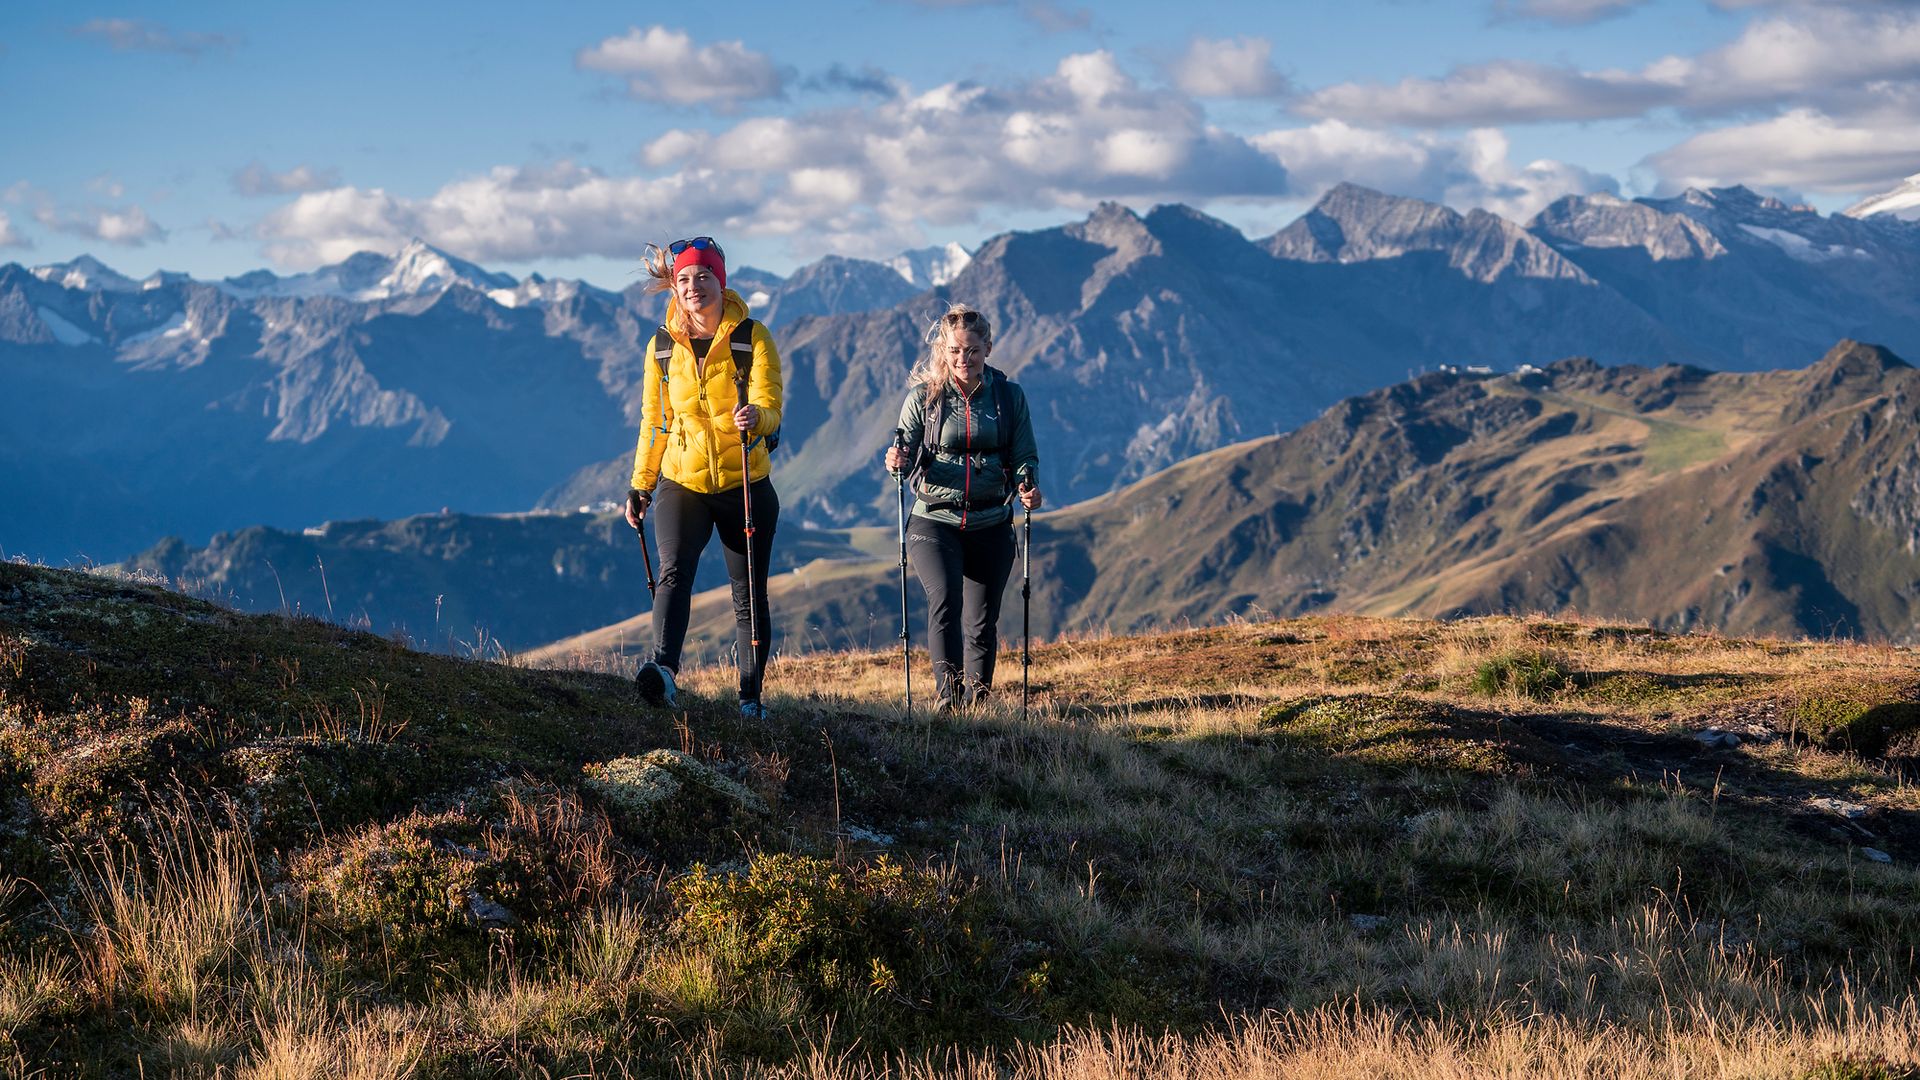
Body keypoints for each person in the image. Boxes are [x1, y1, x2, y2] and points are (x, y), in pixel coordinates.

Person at [624, 236, 783, 719]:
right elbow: (655, 422)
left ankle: (750, 698)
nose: (694, 287)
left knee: (748, 592)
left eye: (704, 277)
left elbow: (772, 405)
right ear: (675, 286)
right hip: (682, 481)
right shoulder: (661, 348)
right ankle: (664, 673)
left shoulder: (752, 337)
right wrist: (641, 485)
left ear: (721, 281)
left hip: (745, 484)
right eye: (685, 279)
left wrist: (756, 417)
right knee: (674, 574)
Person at [885, 304, 1042, 712]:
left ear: (988, 348)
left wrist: (1029, 486)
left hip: (992, 519)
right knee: (945, 602)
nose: (963, 359)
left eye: (972, 350)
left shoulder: (1009, 397)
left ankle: (978, 704)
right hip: (934, 519)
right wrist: (895, 461)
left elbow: (1025, 454)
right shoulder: (925, 398)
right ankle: (948, 703)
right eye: (955, 350)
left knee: (982, 621)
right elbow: (903, 449)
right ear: (944, 350)